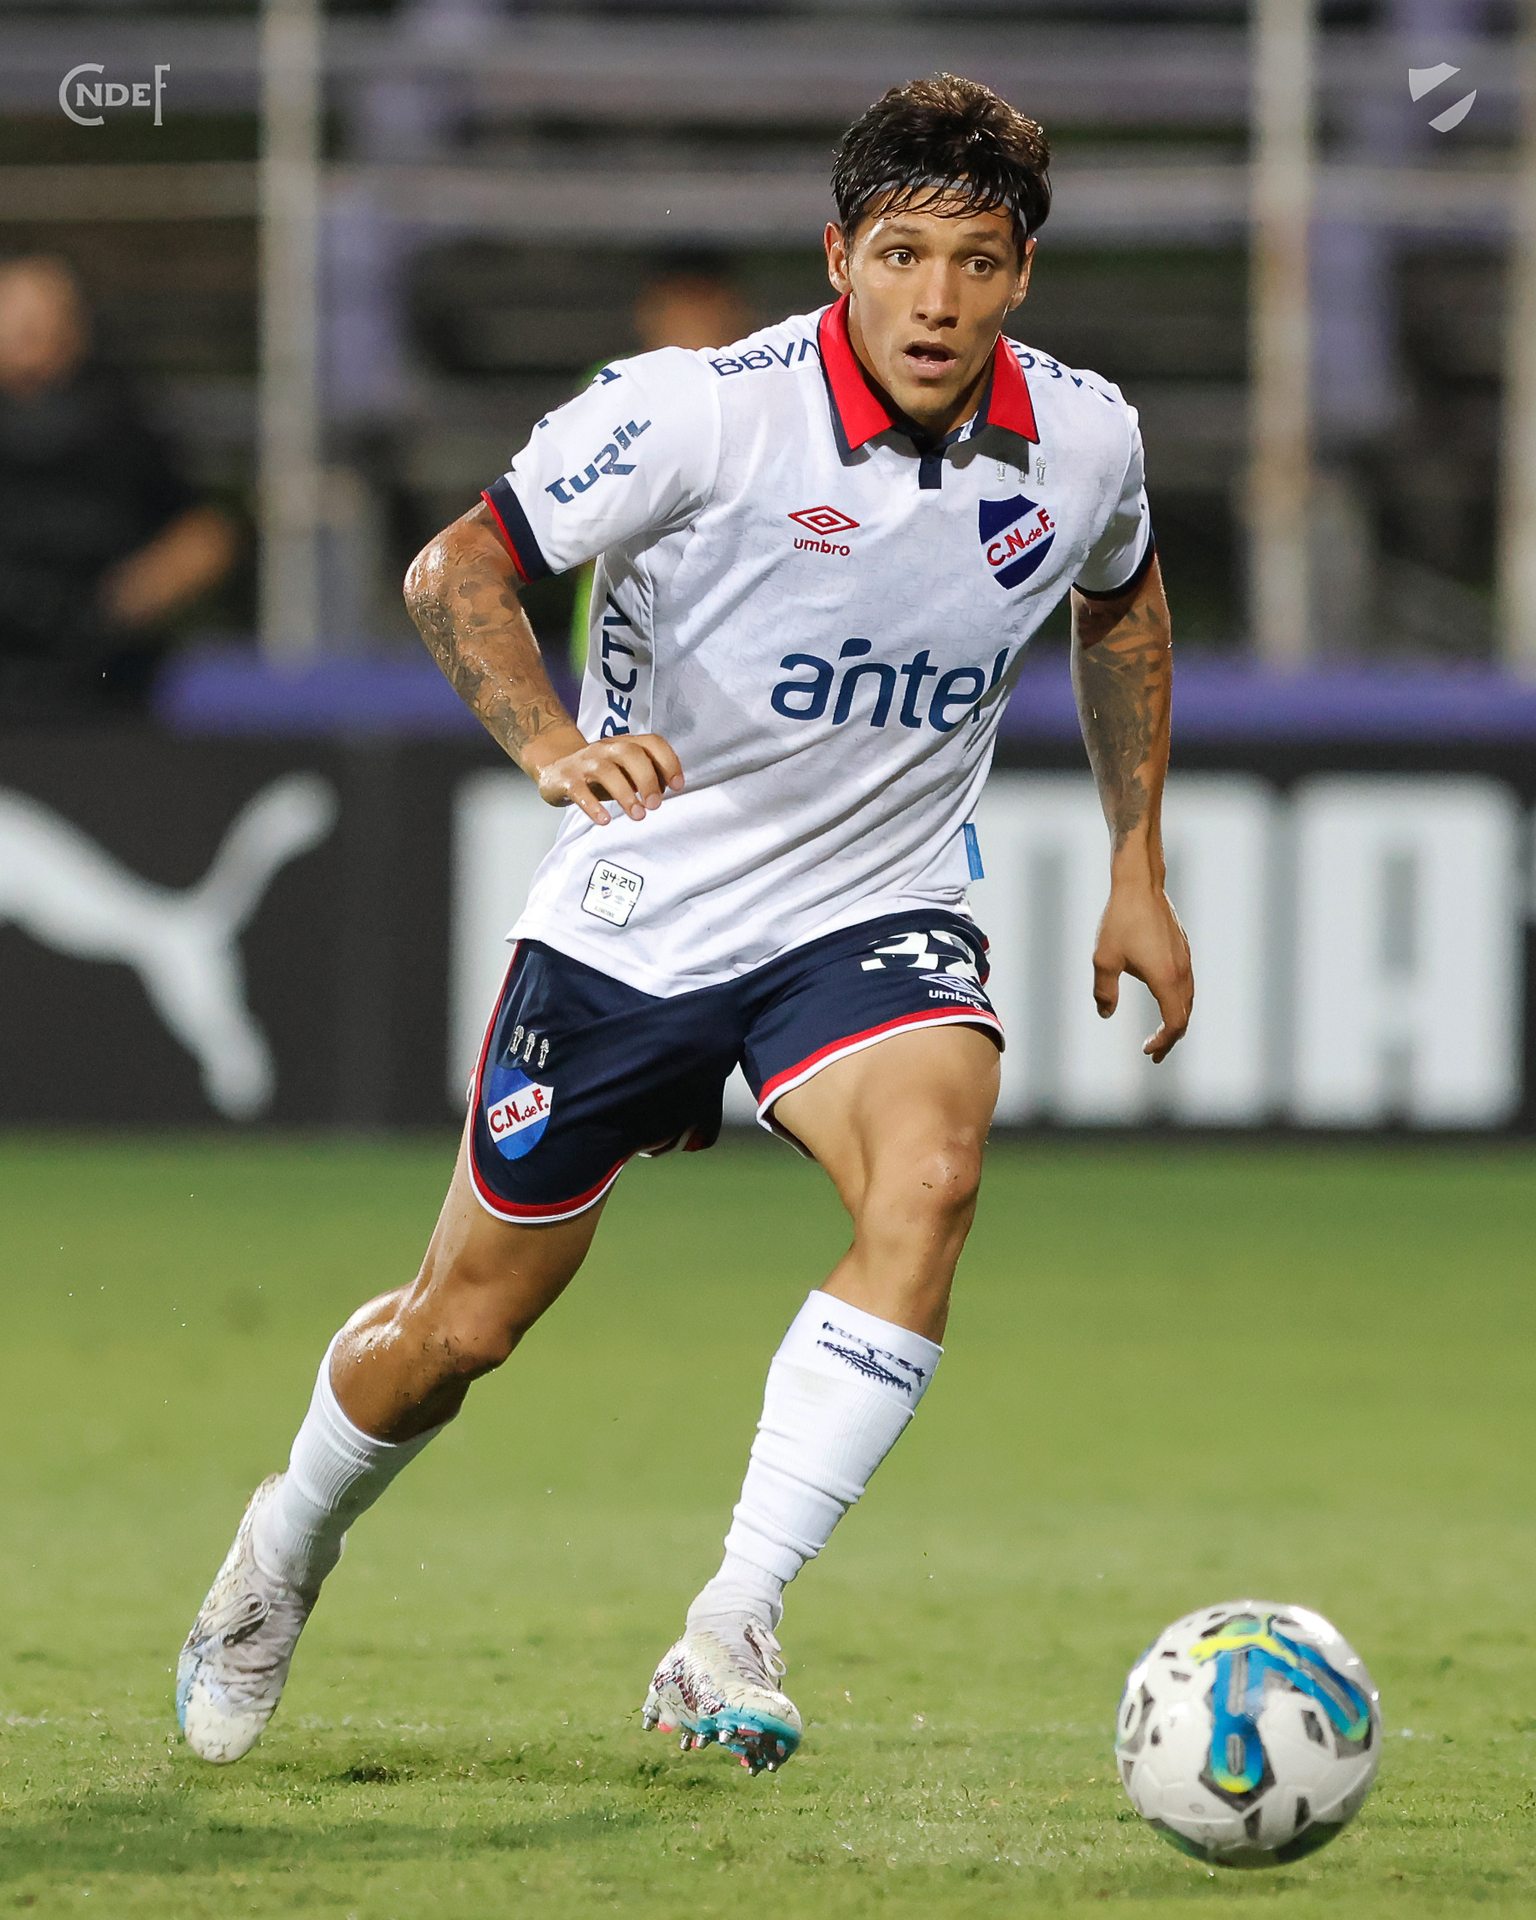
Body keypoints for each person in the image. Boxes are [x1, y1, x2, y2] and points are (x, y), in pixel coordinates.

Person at [177, 72, 1193, 1775]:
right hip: (639, 914)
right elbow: (456, 571)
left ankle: (733, 1618)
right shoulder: (694, 415)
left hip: (871, 903)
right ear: (838, 257)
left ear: (1022, 274)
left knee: (933, 1177)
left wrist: (1136, 864)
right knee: (457, 1333)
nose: (938, 299)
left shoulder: (1087, 437)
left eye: (978, 261)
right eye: (903, 253)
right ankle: (281, 1549)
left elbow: (1125, 603)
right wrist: (553, 746)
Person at [0, 255, 236, 719]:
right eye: (16, 319)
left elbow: (205, 535)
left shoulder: (125, 421)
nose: (29, 334)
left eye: (44, 320)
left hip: (102, 684)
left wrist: (120, 603)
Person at [567, 255, 755, 670]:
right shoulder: (611, 386)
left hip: (728, 659)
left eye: (704, 303)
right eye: (679, 303)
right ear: (649, 311)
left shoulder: (764, 393)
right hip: (619, 652)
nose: (691, 319)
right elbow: (570, 526)